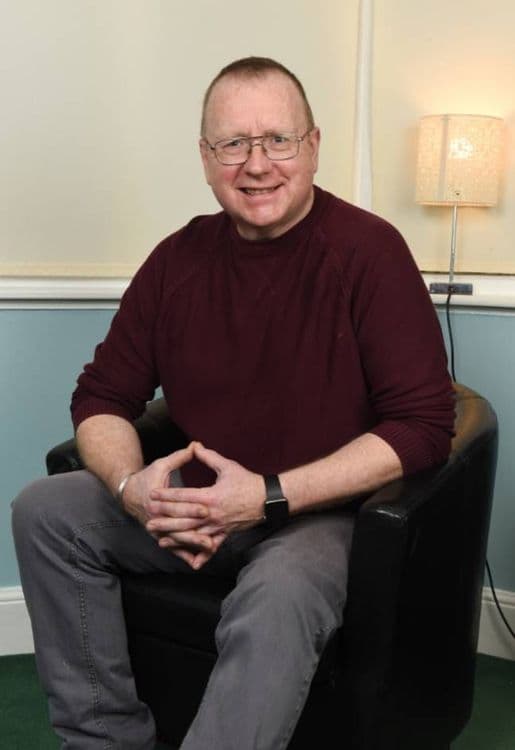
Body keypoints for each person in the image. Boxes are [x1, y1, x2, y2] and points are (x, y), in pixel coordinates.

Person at [12, 56, 455, 750]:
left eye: (278, 140)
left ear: (313, 146)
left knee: (280, 591)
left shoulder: (370, 252)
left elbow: (423, 427)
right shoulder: (176, 260)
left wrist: (268, 496)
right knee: (46, 511)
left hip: (318, 519)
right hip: (197, 504)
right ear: (205, 157)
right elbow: (101, 396)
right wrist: (132, 489)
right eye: (233, 144)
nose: (256, 165)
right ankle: (103, 739)